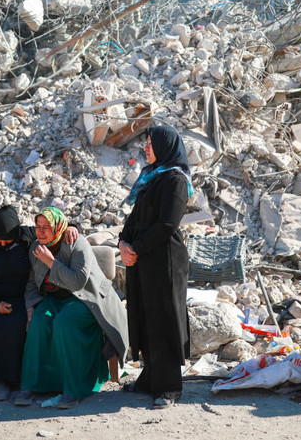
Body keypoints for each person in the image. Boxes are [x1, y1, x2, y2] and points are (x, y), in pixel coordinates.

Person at [0, 206, 77, 408]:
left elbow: (53, 233)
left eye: (6, 240)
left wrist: (72, 227)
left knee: (16, 322)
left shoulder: (26, 236)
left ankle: (2, 379)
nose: (1, 243)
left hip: (17, 296)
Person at [16, 207, 128, 409]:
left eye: (46, 227)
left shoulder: (76, 243)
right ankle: (33, 384)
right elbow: (32, 282)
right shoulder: (36, 246)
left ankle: (74, 388)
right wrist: (31, 306)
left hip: (85, 298)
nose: (40, 232)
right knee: (38, 324)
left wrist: (50, 261)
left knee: (64, 324)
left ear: (58, 228)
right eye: (38, 227)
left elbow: (78, 282)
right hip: (53, 298)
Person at [118, 125, 194, 409]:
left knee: (163, 319)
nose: (146, 148)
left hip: (165, 261)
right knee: (145, 316)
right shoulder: (151, 177)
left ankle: (169, 387)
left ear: (165, 147)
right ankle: (149, 379)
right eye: (146, 143)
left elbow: (166, 224)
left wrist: (135, 248)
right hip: (142, 259)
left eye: (151, 143)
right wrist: (123, 242)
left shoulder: (174, 179)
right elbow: (135, 217)